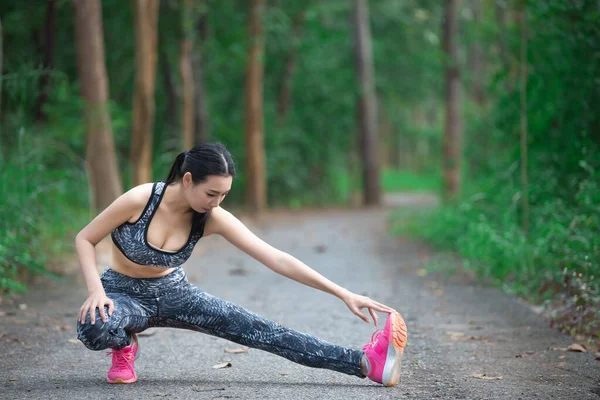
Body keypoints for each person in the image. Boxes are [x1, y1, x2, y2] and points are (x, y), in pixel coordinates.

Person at [75, 142, 407, 386]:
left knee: (261, 330)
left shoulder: (211, 217)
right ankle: (125, 344)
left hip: (174, 293)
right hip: (122, 292)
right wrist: (95, 291)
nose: (216, 203)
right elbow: (85, 238)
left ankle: (367, 362)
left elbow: (275, 258)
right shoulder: (141, 200)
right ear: (188, 179)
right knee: (94, 326)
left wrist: (342, 293)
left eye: (224, 195)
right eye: (211, 193)